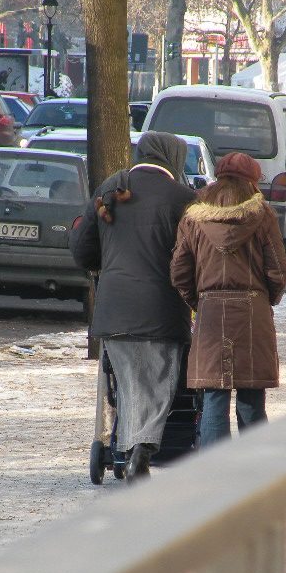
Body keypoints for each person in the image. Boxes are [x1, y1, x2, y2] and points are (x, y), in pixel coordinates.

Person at [71, 131, 196, 480]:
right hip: (163, 310)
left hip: (115, 309)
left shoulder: (110, 190)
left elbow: (83, 251)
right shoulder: (184, 199)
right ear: (172, 157)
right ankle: (142, 448)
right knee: (160, 384)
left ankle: (128, 448)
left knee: (126, 386)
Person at [170, 151, 286, 446]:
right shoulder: (262, 214)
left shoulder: (194, 216)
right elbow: (277, 268)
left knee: (214, 397)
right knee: (251, 398)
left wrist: (199, 302)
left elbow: (179, 270)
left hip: (211, 312)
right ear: (252, 182)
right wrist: (267, 299)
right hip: (253, 311)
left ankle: (215, 476)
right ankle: (252, 474)